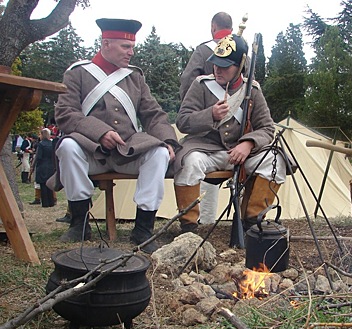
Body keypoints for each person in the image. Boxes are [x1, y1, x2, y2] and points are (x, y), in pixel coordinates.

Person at [52, 18, 179, 253]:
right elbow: (65, 114)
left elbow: (153, 114)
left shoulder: (134, 77)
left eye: (132, 47)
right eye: (125, 47)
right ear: (106, 43)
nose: (131, 52)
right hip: (91, 152)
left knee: (160, 153)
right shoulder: (78, 74)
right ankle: (79, 224)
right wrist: (99, 133)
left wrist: (169, 140)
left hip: (127, 152)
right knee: (67, 147)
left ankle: (143, 229)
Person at [173, 34, 287, 233]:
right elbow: (183, 121)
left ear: (240, 65)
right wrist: (210, 114)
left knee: (274, 161)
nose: (217, 69)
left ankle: (251, 222)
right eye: (216, 64)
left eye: (225, 66)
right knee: (188, 162)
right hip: (206, 149)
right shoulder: (201, 85)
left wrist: (248, 143)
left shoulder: (253, 90)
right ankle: (189, 227)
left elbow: (267, 128)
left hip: (241, 152)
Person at [179, 12, 234, 101]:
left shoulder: (202, 50)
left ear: (213, 27)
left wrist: (188, 107)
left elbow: (187, 81)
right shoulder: (244, 55)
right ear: (231, 30)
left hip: (208, 111)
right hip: (239, 112)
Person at [34, 128, 56, 207]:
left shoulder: (41, 144)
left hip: (42, 165)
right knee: (49, 185)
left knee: (43, 185)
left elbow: (39, 157)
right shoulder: (52, 144)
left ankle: (45, 203)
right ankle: (51, 202)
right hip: (51, 165)